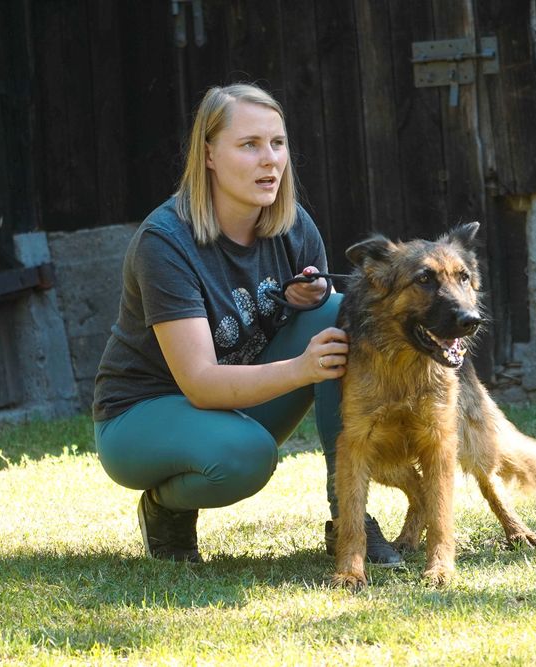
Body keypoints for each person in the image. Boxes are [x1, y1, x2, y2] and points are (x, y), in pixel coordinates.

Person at [92, 83, 401, 567]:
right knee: (247, 458)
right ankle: (163, 509)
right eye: (249, 145)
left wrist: (313, 299)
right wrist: (302, 368)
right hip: (141, 413)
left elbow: (323, 320)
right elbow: (200, 382)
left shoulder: (294, 225)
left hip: (235, 401)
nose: (270, 160)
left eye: (277, 144)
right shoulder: (165, 242)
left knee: (336, 312)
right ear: (209, 153)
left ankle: (350, 520)